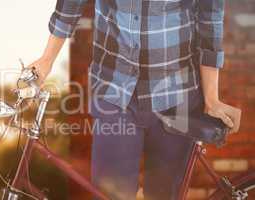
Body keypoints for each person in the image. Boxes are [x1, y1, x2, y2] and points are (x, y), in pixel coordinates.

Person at [29, 0, 242, 199]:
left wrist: (212, 98)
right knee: (109, 194)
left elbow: (209, 18)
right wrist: (46, 60)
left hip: (176, 96)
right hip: (114, 88)